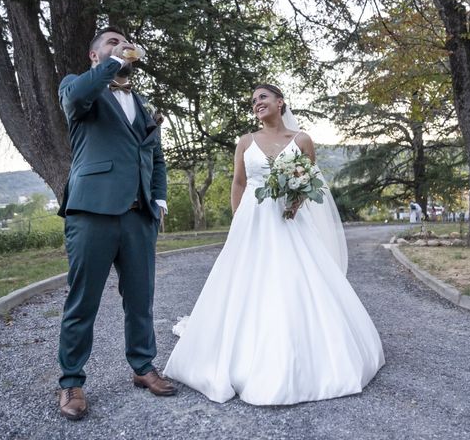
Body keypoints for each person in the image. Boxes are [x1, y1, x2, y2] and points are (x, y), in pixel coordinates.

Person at [163, 84, 385, 405]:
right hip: (251, 221)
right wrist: (239, 221)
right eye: (253, 101)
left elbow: (311, 183)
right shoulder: (245, 142)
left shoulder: (302, 140)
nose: (257, 103)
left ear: (280, 103)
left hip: (288, 221)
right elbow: (239, 183)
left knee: (292, 280)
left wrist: (295, 202)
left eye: (263, 98)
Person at [56, 26, 175, 420]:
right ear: (95, 56)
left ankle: (143, 367)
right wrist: (113, 62)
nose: (121, 44)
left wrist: (158, 199)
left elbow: (154, 157)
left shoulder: (140, 102)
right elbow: (76, 97)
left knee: (141, 298)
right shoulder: (78, 87)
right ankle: (71, 380)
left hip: (139, 216)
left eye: (124, 41)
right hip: (92, 211)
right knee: (83, 300)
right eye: (111, 41)